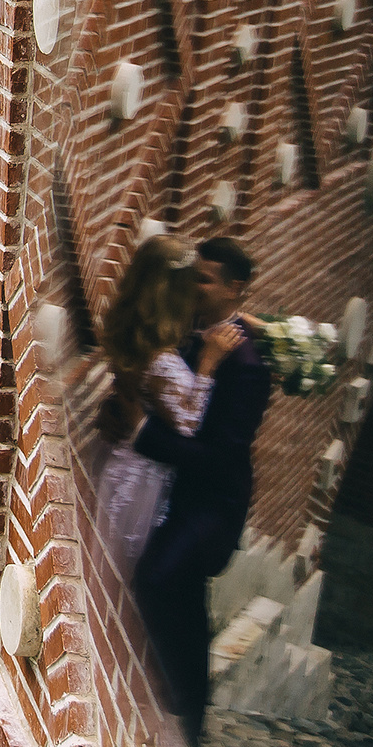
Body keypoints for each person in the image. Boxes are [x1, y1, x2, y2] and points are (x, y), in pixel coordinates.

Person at [129, 235, 271, 747]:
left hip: (211, 505)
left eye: (204, 280)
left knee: (160, 578)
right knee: (182, 599)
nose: (193, 287)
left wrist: (145, 438)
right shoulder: (191, 333)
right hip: (168, 492)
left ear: (234, 289)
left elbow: (219, 456)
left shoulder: (248, 368)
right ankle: (184, 714)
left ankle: (185, 715)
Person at [93, 235, 248, 576]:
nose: (195, 292)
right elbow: (189, 422)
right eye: (190, 283)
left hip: (126, 461)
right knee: (122, 576)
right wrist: (208, 364)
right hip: (143, 478)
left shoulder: (135, 330)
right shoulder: (161, 358)